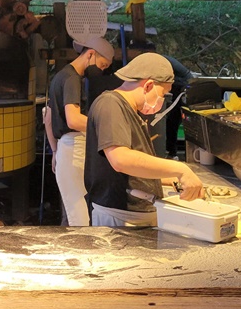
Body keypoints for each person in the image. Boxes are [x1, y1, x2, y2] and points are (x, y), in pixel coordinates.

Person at [84, 52, 204, 227]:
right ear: (148, 86)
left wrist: (168, 177)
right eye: (163, 94)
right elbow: (120, 159)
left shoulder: (128, 109)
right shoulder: (110, 104)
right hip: (119, 217)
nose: (162, 101)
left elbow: (129, 170)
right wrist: (179, 169)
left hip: (134, 215)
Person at [45, 34, 114, 226]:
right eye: (102, 65)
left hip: (65, 149)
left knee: (73, 210)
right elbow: (73, 120)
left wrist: (56, 151)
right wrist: (105, 127)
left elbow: (48, 119)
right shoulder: (72, 79)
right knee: (79, 214)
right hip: (75, 147)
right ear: (90, 54)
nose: (101, 70)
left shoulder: (59, 76)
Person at [138, 40, 193, 159]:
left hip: (182, 88)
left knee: (173, 121)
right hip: (175, 88)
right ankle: (169, 150)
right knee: (169, 121)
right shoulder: (153, 62)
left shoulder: (161, 61)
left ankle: (172, 152)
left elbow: (187, 78)